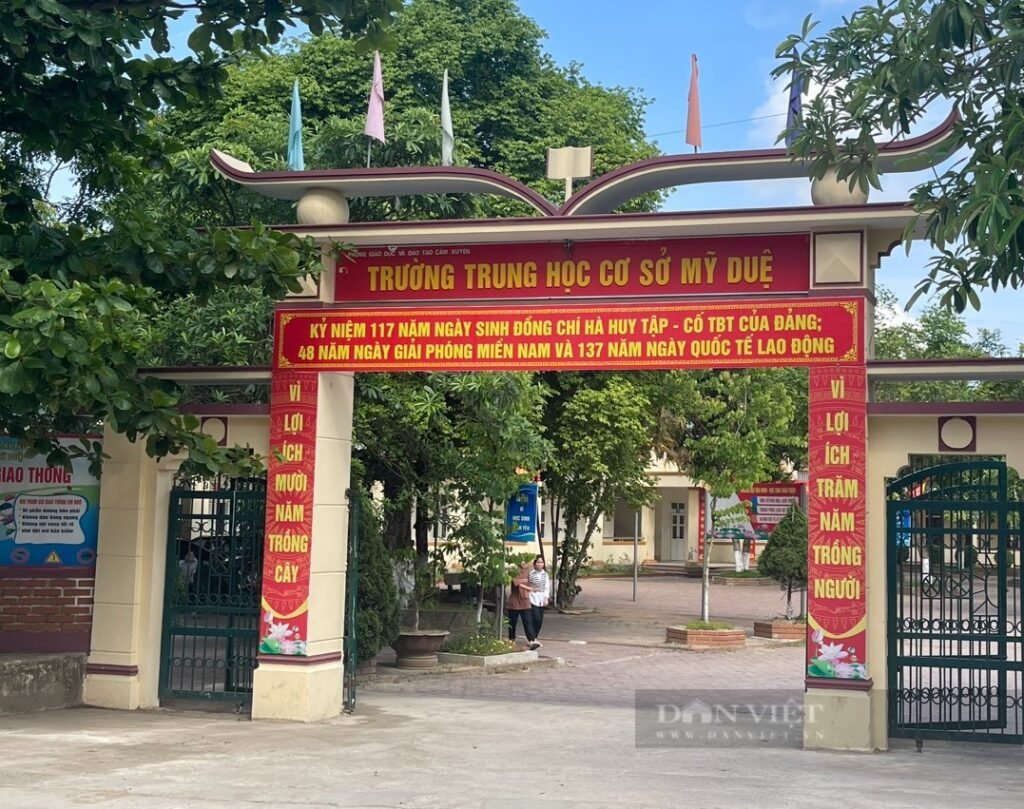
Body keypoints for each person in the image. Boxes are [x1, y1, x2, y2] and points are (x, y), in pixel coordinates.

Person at [507, 562, 539, 650]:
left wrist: (525, 582)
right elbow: (516, 583)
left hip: (525, 601)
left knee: (528, 622)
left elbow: (532, 582)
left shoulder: (530, 572)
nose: (524, 563)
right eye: (522, 561)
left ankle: (532, 640)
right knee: (512, 623)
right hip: (514, 602)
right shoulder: (514, 571)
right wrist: (529, 586)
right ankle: (511, 639)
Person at [527, 555, 550, 646]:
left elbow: (547, 587)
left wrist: (546, 598)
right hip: (532, 598)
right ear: (535, 563)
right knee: (535, 618)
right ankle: (531, 638)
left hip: (541, 598)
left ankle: (534, 637)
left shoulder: (545, 574)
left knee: (540, 620)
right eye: (538, 562)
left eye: (541, 562)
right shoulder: (531, 573)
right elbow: (527, 584)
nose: (540, 564)